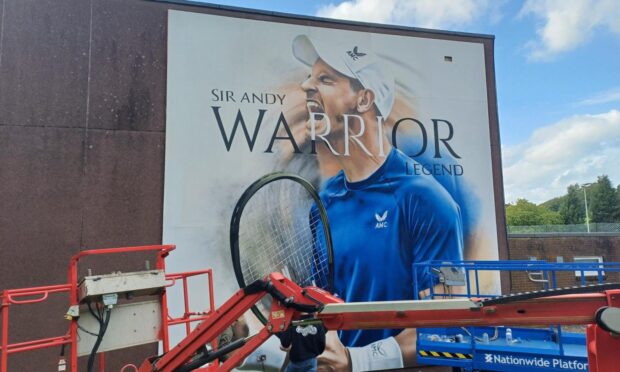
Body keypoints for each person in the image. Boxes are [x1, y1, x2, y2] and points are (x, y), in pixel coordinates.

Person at [292, 34, 464, 371]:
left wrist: (358, 361)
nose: (306, 86)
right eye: (309, 77)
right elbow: (322, 308)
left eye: (325, 79)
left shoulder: (426, 199)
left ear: (364, 98)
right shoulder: (324, 204)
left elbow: (448, 323)